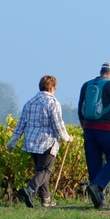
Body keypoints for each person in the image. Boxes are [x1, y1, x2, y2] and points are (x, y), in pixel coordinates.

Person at [9, 75, 71, 208]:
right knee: (45, 171)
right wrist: (67, 138)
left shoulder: (29, 103)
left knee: (40, 171)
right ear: (52, 88)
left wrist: (13, 141)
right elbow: (58, 124)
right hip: (47, 141)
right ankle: (30, 189)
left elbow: (21, 124)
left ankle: (46, 200)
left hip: (31, 142)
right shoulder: (53, 103)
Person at [78, 62, 110, 208]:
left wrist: (84, 126)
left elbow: (80, 107)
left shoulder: (86, 85)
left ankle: (99, 201)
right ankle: (98, 185)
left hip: (88, 128)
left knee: (93, 163)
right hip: (106, 128)